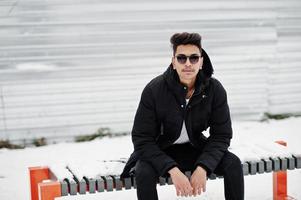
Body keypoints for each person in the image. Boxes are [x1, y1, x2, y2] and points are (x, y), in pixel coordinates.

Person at [121, 32, 244, 200]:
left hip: (195, 147)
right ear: (173, 62)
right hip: (162, 149)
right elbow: (142, 139)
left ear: (201, 61)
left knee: (233, 164)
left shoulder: (214, 90)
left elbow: (221, 135)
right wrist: (172, 169)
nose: (188, 64)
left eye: (193, 58)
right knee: (143, 172)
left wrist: (203, 167)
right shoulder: (154, 90)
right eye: (181, 58)